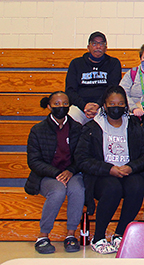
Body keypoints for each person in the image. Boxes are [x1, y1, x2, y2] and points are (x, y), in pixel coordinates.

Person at [75, 86, 144, 254]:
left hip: (128, 171)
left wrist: (131, 167)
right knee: (113, 188)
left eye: (120, 103)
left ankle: (120, 234)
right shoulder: (92, 128)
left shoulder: (133, 125)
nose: (116, 107)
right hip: (101, 175)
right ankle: (98, 237)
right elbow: (82, 159)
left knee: (137, 186)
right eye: (112, 103)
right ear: (104, 105)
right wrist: (109, 169)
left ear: (126, 105)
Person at [25, 92, 84, 254]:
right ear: (49, 106)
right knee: (58, 191)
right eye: (57, 104)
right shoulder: (37, 130)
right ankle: (43, 236)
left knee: (77, 190)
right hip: (47, 175)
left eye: (65, 104)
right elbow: (34, 161)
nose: (61, 107)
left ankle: (71, 235)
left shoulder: (77, 128)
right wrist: (57, 173)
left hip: (72, 173)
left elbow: (82, 156)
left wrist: (71, 170)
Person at [65, 31, 122, 124]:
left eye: (101, 44)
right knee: (70, 117)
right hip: (80, 107)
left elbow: (113, 88)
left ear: (106, 48)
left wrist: (98, 105)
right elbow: (70, 90)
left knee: (111, 116)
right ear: (88, 47)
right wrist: (84, 106)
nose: (98, 47)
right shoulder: (76, 63)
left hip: (103, 106)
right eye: (94, 43)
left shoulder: (113, 63)